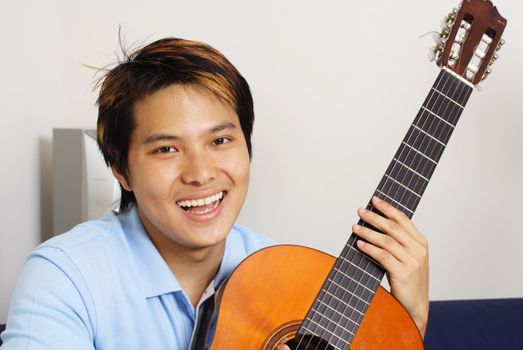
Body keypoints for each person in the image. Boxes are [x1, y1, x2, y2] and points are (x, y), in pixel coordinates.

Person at [0, 37, 429, 349]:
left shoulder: (285, 275)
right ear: (121, 170)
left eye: (220, 141)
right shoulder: (64, 276)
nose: (201, 173)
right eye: (167, 149)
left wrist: (410, 319)